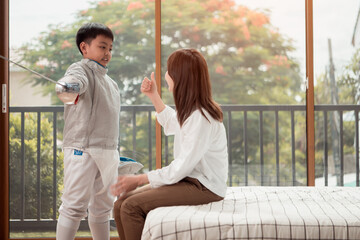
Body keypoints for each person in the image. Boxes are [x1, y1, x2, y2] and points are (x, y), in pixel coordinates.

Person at [111, 48, 229, 240]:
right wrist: (154, 96)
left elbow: (181, 167)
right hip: (190, 180)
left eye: (169, 69)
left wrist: (139, 179)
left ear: (180, 77)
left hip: (204, 186)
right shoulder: (192, 112)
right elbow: (172, 122)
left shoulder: (201, 117)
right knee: (120, 204)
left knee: (131, 207)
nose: (165, 75)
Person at [55, 22, 121, 240]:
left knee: (103, 207)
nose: (107, 53)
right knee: (74, 206)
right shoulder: (79, 69)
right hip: (82, 149)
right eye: (102, 47)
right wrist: (69, 87)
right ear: (85, 48)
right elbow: (75, 83)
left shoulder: (111, 83)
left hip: (107, 151)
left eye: (110, 48)